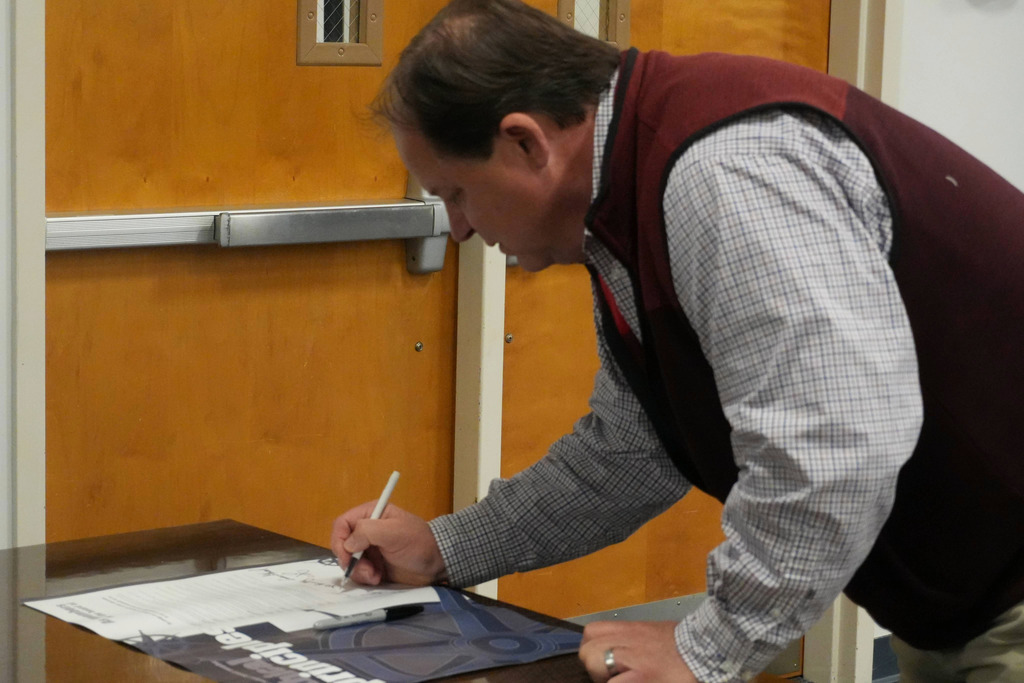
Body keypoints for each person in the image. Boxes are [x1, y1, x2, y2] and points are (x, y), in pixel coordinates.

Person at [331, 0, 1024, 680]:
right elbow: (631, 451)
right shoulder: (629, 201)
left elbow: (834, 445)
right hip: (960, 603)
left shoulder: (722, 171)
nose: (457, 227)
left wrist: (708, 646)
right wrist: (446, 547)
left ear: (524, 141)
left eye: (456, 192)